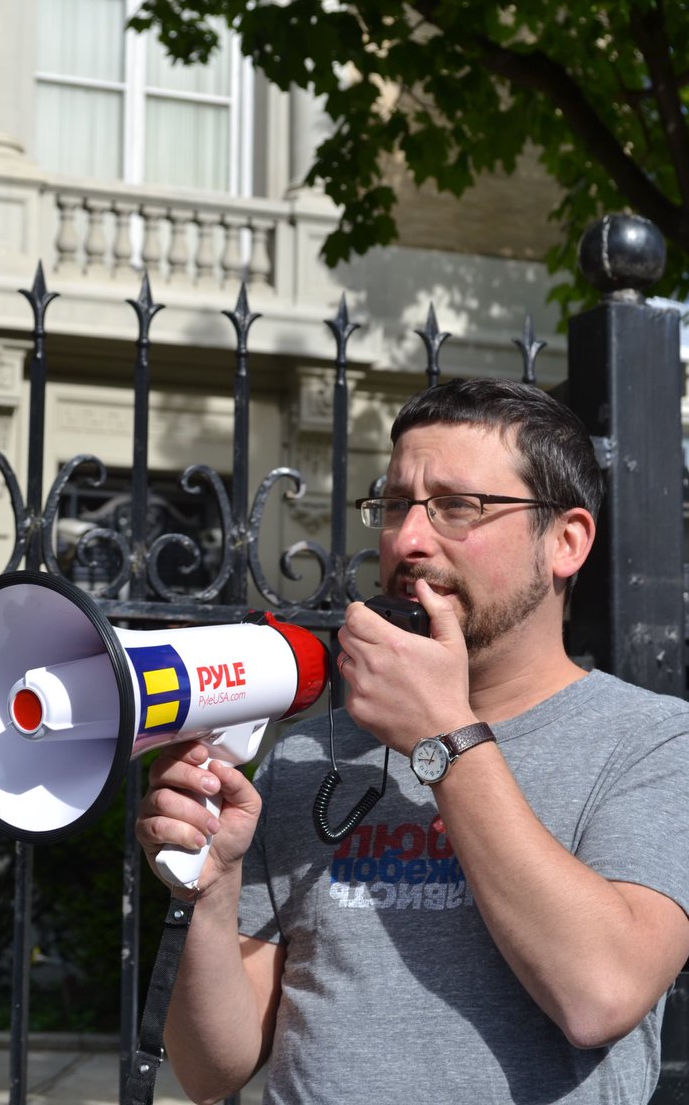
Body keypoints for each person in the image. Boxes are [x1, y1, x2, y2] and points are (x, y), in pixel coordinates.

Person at [136, 377, 689, 1104]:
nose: (406, 539)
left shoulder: (652, 743)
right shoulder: (308, 754)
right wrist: (210, 894)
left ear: (566, 541)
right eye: (395, 504)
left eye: (458, 506)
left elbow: (600, 995)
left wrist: (442, 737)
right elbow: (212, 1071)